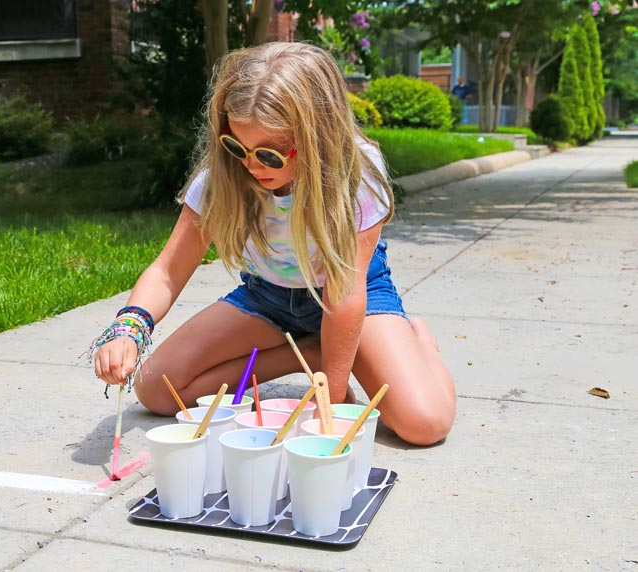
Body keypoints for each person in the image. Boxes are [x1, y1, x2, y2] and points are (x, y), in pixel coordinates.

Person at [90, 42, 456, 446]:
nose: (250, 164)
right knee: (156, 390)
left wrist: (328, 400)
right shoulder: (224, 177)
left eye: (269, 153)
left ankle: (420, 344)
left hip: (352, 296)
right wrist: (129, 328)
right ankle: (307, 354)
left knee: (424, 424)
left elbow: (345, 293)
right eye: (236, 146)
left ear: (319, 138)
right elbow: (168, 270)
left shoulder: (358, 174)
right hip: (268, 298)